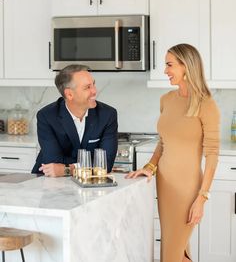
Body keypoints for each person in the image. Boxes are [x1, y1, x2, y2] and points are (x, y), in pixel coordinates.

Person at [126, 44, 220, 262]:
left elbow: (213, 154)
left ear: (186, 66)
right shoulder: (167, 100)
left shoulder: (206, 105)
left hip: (187, 189)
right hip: (165, 185)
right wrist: (149, 167)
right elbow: (163, 142)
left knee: (170, 255)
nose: (165, 71)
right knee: (176, 251)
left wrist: (201, 198)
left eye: (169, 65)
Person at [32, 64, 118, 177]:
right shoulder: (47, 116)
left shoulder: (107, 114)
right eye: (87, 87)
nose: (94, 91)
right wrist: (89, 165)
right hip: (49, 181)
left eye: (93, 84)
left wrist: (67, 169)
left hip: (88, 183)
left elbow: (105, 164)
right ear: (69, 94)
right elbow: (53, 162)